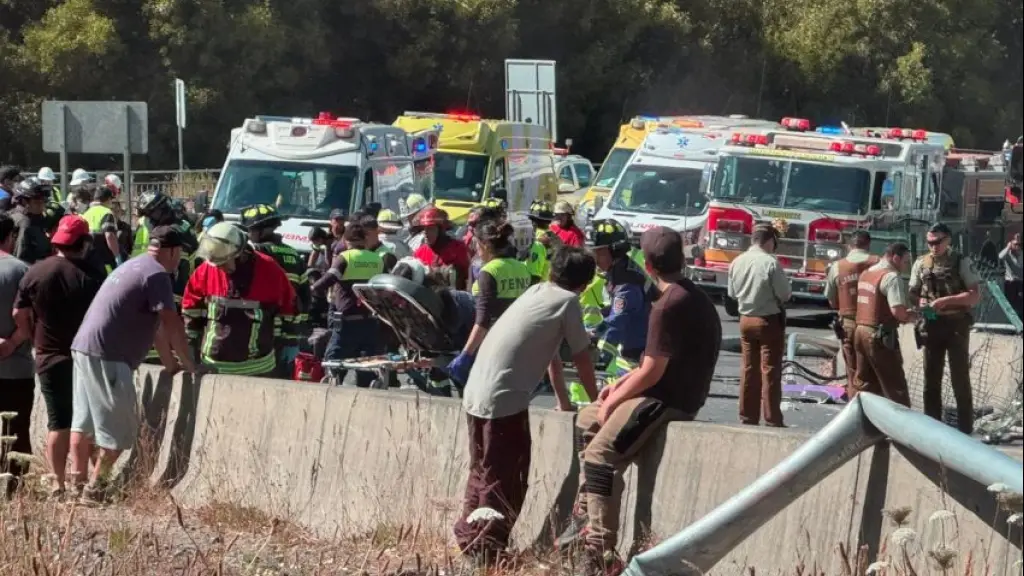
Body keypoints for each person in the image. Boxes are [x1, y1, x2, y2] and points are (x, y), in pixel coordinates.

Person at [563, 226, 721, 575]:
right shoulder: (689, 295)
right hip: (662, 388)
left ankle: (600, 550)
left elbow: (652, 371)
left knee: (600, 455)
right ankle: (587, 505)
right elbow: (648, 366)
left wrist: (613, 400)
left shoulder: (668, 305)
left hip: (667, 398)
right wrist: (615, 388)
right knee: (586, 417)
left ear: (648, 265)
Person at [453, 246, 600, 569]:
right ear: (585, 283)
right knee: (507, 475)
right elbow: (581, 357)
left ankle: (471, 538)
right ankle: (487, 550)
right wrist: (599, 402)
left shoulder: (537, 291)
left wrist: (563, 400)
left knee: (482, 470)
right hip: (504, 400)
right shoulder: (567, 302)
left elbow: (550, 355)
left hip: (477, 392)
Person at [70, 225, 204, 503]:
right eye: (180, 254)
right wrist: (191, 365)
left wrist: (170, 365)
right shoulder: (157, 275)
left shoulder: (133, 265)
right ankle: (95, 489)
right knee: (117, 434)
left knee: (84, 425)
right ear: (173, 251)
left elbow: (155, 329)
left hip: (84, 349)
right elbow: (171, 323)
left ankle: (76, 483)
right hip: (109, 356)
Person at [14, 215, 102, 498]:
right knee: (84, 421)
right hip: (84, 357)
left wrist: (31, 337)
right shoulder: (92, 275)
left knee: (57, 421)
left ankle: (57, 483)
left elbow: (19, 312)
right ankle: (85, 482)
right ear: (84, 242)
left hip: (47, 357)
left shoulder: (36, 271)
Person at [182, 222, 297, 377]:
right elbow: (191, 311)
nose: (219, 268)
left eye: (223, 263)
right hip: (212, 369)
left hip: (258, 371)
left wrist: (286, 344)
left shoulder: (269, 271)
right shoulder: (207, 270)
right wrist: (189, 350)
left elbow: (289, 309)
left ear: (239, 254)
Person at [909, 223, 981, 434]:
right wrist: (921, 303)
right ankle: (931, 426)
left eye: (938, 242)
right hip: (932, 324)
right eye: (930, 242)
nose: (933, 246)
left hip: (956, 324)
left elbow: (974, 295)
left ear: (948, 240)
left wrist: (945, 301)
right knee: (931, 377)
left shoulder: (961, 261)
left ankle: (965, 427)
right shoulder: (921, 263)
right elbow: (913, 292)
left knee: (960, 377)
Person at [446, 220, 533, 387]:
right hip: (516, 341)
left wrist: (466, 353)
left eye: (476, 244)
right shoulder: (522, 268)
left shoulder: (489, 271)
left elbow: (483, 319)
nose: (476, 250)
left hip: (491, 344)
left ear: (485, 244)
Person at [728, 224, 792, 427]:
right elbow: (785, 294)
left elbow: (731, 293)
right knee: (770, 370)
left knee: (748, 368)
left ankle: (747, 415)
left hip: (745, 319)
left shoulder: (737, 261)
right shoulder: (770, 263)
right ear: (769, 241)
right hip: (768, 320)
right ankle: (772, 417)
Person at [311, 221, 384, 387]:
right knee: (366, 365)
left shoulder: (346, 257)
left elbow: (328, 279)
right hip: (370, 321)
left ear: (346, 241)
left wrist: (312, 288)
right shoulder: (377, 260)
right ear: (364, 240)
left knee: (333, 363)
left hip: (347, 322)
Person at [241, 203, 310, 374]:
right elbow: (305, 297)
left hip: (262, 334)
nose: (248, 235)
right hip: (290, 336)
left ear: (261, 230)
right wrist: (295, 330)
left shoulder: (256, 254)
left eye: (250, 231)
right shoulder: (294, 254)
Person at [586, 219, 651, 388]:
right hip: (636, 346)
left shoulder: (626, 284)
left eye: (599, 253)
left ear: (615, 252)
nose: (594, 259)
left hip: (639, 352)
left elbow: (617, 322)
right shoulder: (621, 271)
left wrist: (594, 336)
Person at [852, 243, 917, 406]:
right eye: (905, 261)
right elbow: (898, 312)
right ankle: (900, 427)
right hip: (880, 336)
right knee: (895, 386)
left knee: (865, 382)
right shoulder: (891, 277)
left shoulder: (867, 273)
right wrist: (913, 315)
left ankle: (866, 426)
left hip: (860, 331)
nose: (905, 266)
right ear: (895, 257)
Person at [0, 213, 34, 497]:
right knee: (17, 429)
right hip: (16, 368)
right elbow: (30, 317)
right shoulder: (22, 270)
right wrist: (12, 343)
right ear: (11, 237)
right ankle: (14, 490)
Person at [825, 230, 879, 397]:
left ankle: (854, 404)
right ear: (868, 244)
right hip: (874, 324)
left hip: (848, 322)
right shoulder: (878, 263)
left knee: (852, 368)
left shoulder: (838, 266)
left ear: (850, 245)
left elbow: (831, 299)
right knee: (874, 369)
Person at [413, 207, 471, 290]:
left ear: (441, 230)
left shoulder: (458, 248)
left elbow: (468, 277)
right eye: (424, 229)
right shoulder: (419, 253)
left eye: (430, 229)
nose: (425, 233)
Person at [82, 181, 124, 275]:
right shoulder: (106, 212)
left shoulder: (86, 213)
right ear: (108, 199)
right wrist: (117, 256)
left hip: (87, 256)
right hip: (103, 258)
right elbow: (109, 235)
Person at [10, 177, 53, 264]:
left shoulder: (38, 218)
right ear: (24, 201)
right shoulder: (24, 222)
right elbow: (20, 258)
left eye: (44, 200)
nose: (42, 205)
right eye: (38, 201)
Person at [526, 199, 560, 284]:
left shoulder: (538, 239)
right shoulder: (554, 237)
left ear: (532, 220)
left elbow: (534, 274)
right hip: (551, 286)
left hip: (538, 287)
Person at [999, 233, 1022, 318]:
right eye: (1016, 244)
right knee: (1010, 304)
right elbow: (1000, 257)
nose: (1018, 246)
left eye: (1019, 244)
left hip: (1020, 283)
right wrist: (1008, 247)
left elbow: (1019, 266)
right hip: (1010, 283)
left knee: (1020, 304)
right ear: (1011, 244)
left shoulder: (1021, 254)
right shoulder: (1007, 254)